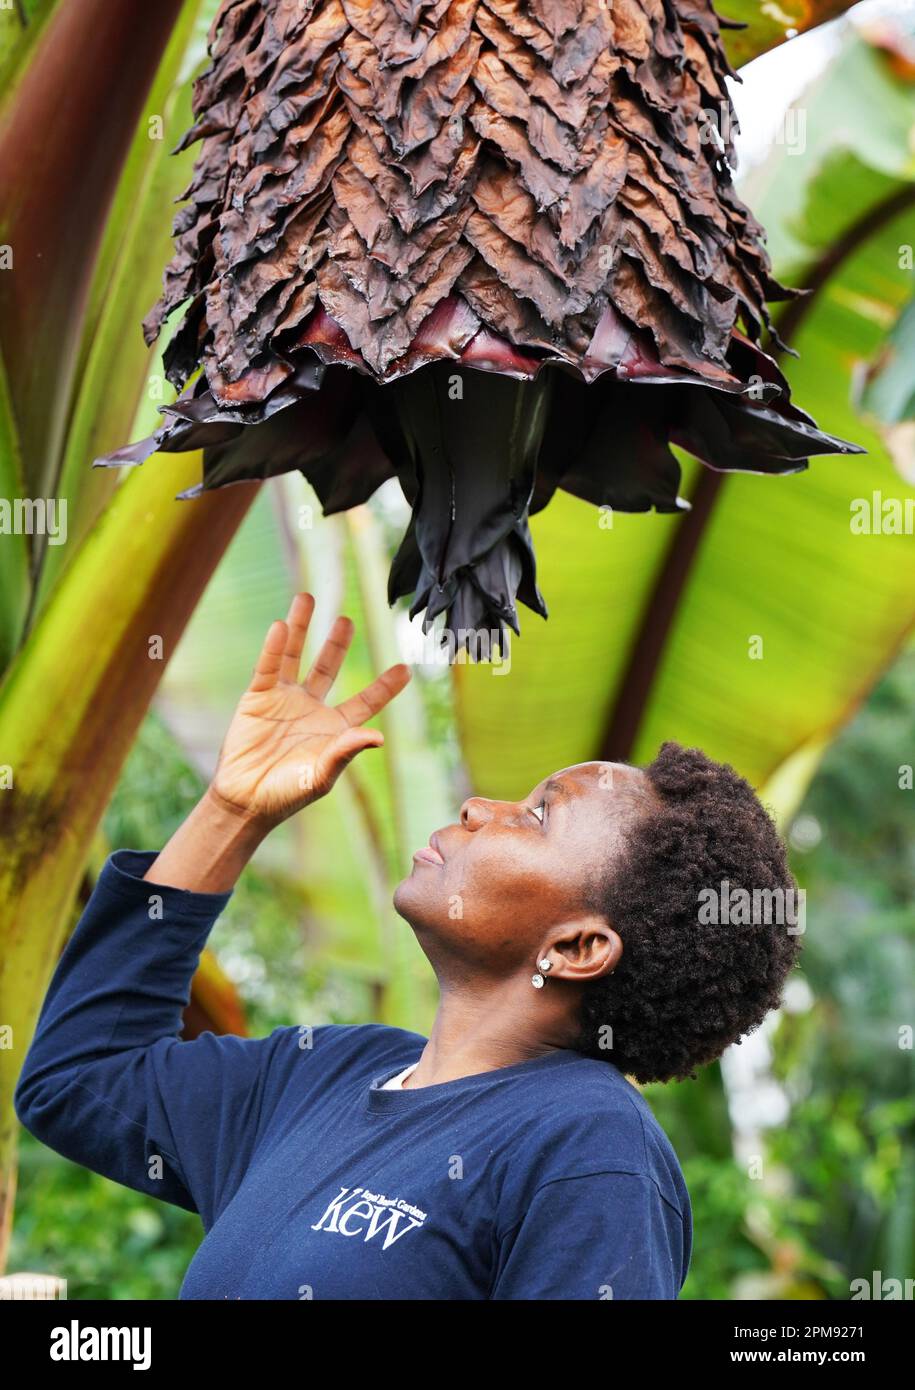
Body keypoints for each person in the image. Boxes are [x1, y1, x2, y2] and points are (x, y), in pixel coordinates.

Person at [15, 593, 801, 1300]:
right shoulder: (323, 1074)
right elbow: (81, 1075)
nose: (477, 806)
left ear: (578, 947)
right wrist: (231, 810)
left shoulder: (589, 1148)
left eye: (534, 817)